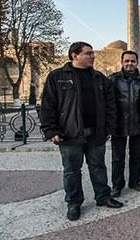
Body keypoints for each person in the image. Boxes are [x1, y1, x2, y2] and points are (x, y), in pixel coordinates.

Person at [40, 41, 123, 221]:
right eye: (88, 53)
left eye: (92, 53)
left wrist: (108, 128)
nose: (93, 56)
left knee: (98, 166)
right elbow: (48, 106)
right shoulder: (58, 77)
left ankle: (102, 196)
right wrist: (51, 130)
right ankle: (74, 203)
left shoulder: (99, 78)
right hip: (69, 133)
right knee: (72, 170)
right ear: (74, 55)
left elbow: (110, 106)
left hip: (96, 132)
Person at [108, 50, 140, 198]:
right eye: (127, 61)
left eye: (132, 61)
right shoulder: (113, 79)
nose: (130, 64)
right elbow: (108, 103)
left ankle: (134, 181)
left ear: (137, 63)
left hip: (137, 122)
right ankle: (117, 185)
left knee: (136, 155)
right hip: (119, 124)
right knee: (118, 157)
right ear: (122, 62)